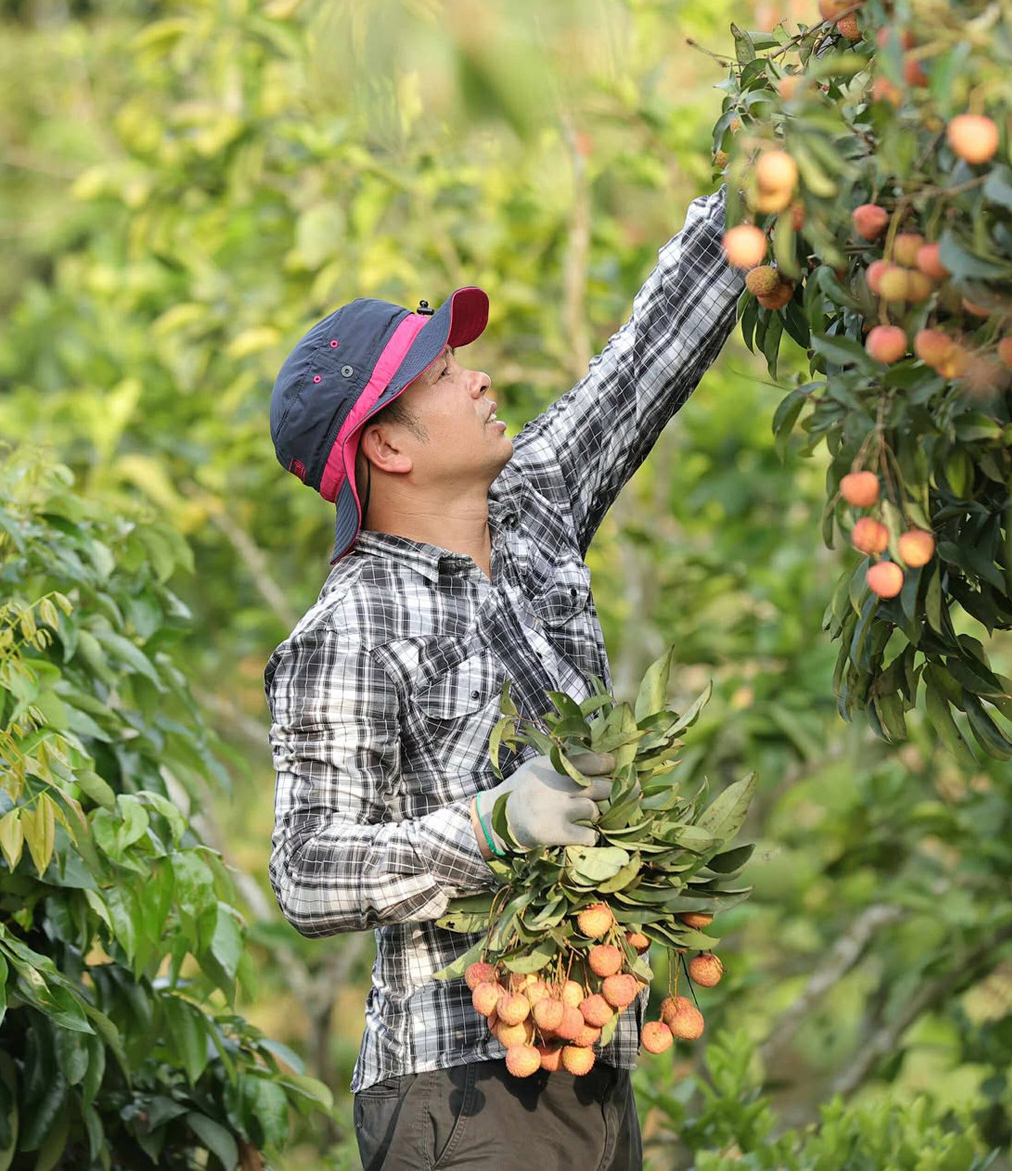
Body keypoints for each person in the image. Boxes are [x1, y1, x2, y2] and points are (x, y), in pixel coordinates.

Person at [263, 187, 740, 1170]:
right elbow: (307, 872)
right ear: (386, 446)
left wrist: (776, 161)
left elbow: (653, 346)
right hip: (460, 1083)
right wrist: (490, 829)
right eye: (442, 376)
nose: (476, 379)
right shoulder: (348, 623)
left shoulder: (535, 511)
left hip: (591, 1064)